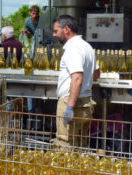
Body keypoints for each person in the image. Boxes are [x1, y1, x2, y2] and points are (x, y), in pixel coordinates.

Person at [52, 15, 100, 148]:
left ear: (66, 29)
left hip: (72, 103)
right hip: (86, 104)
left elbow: (77, 78)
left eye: (56, 31)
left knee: (65, 146)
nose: (54, 34)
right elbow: (96, 74)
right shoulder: (87, 46)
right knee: (81, 146)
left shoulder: (73, 49)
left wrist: (69, 108)